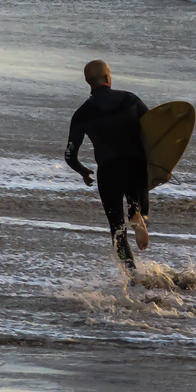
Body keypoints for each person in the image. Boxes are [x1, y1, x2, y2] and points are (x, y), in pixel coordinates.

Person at [64, 59, 151, 269]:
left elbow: (69, 155)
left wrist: (84, 172)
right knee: (137, 205)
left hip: (108, 171)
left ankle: (131, 276)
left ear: (88, 81)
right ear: (108, 77)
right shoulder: (130, 100)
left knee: (117, 229)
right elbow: (154, 130)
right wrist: (162, 163)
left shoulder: (82, 113)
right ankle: (137, 215)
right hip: (135, 166)